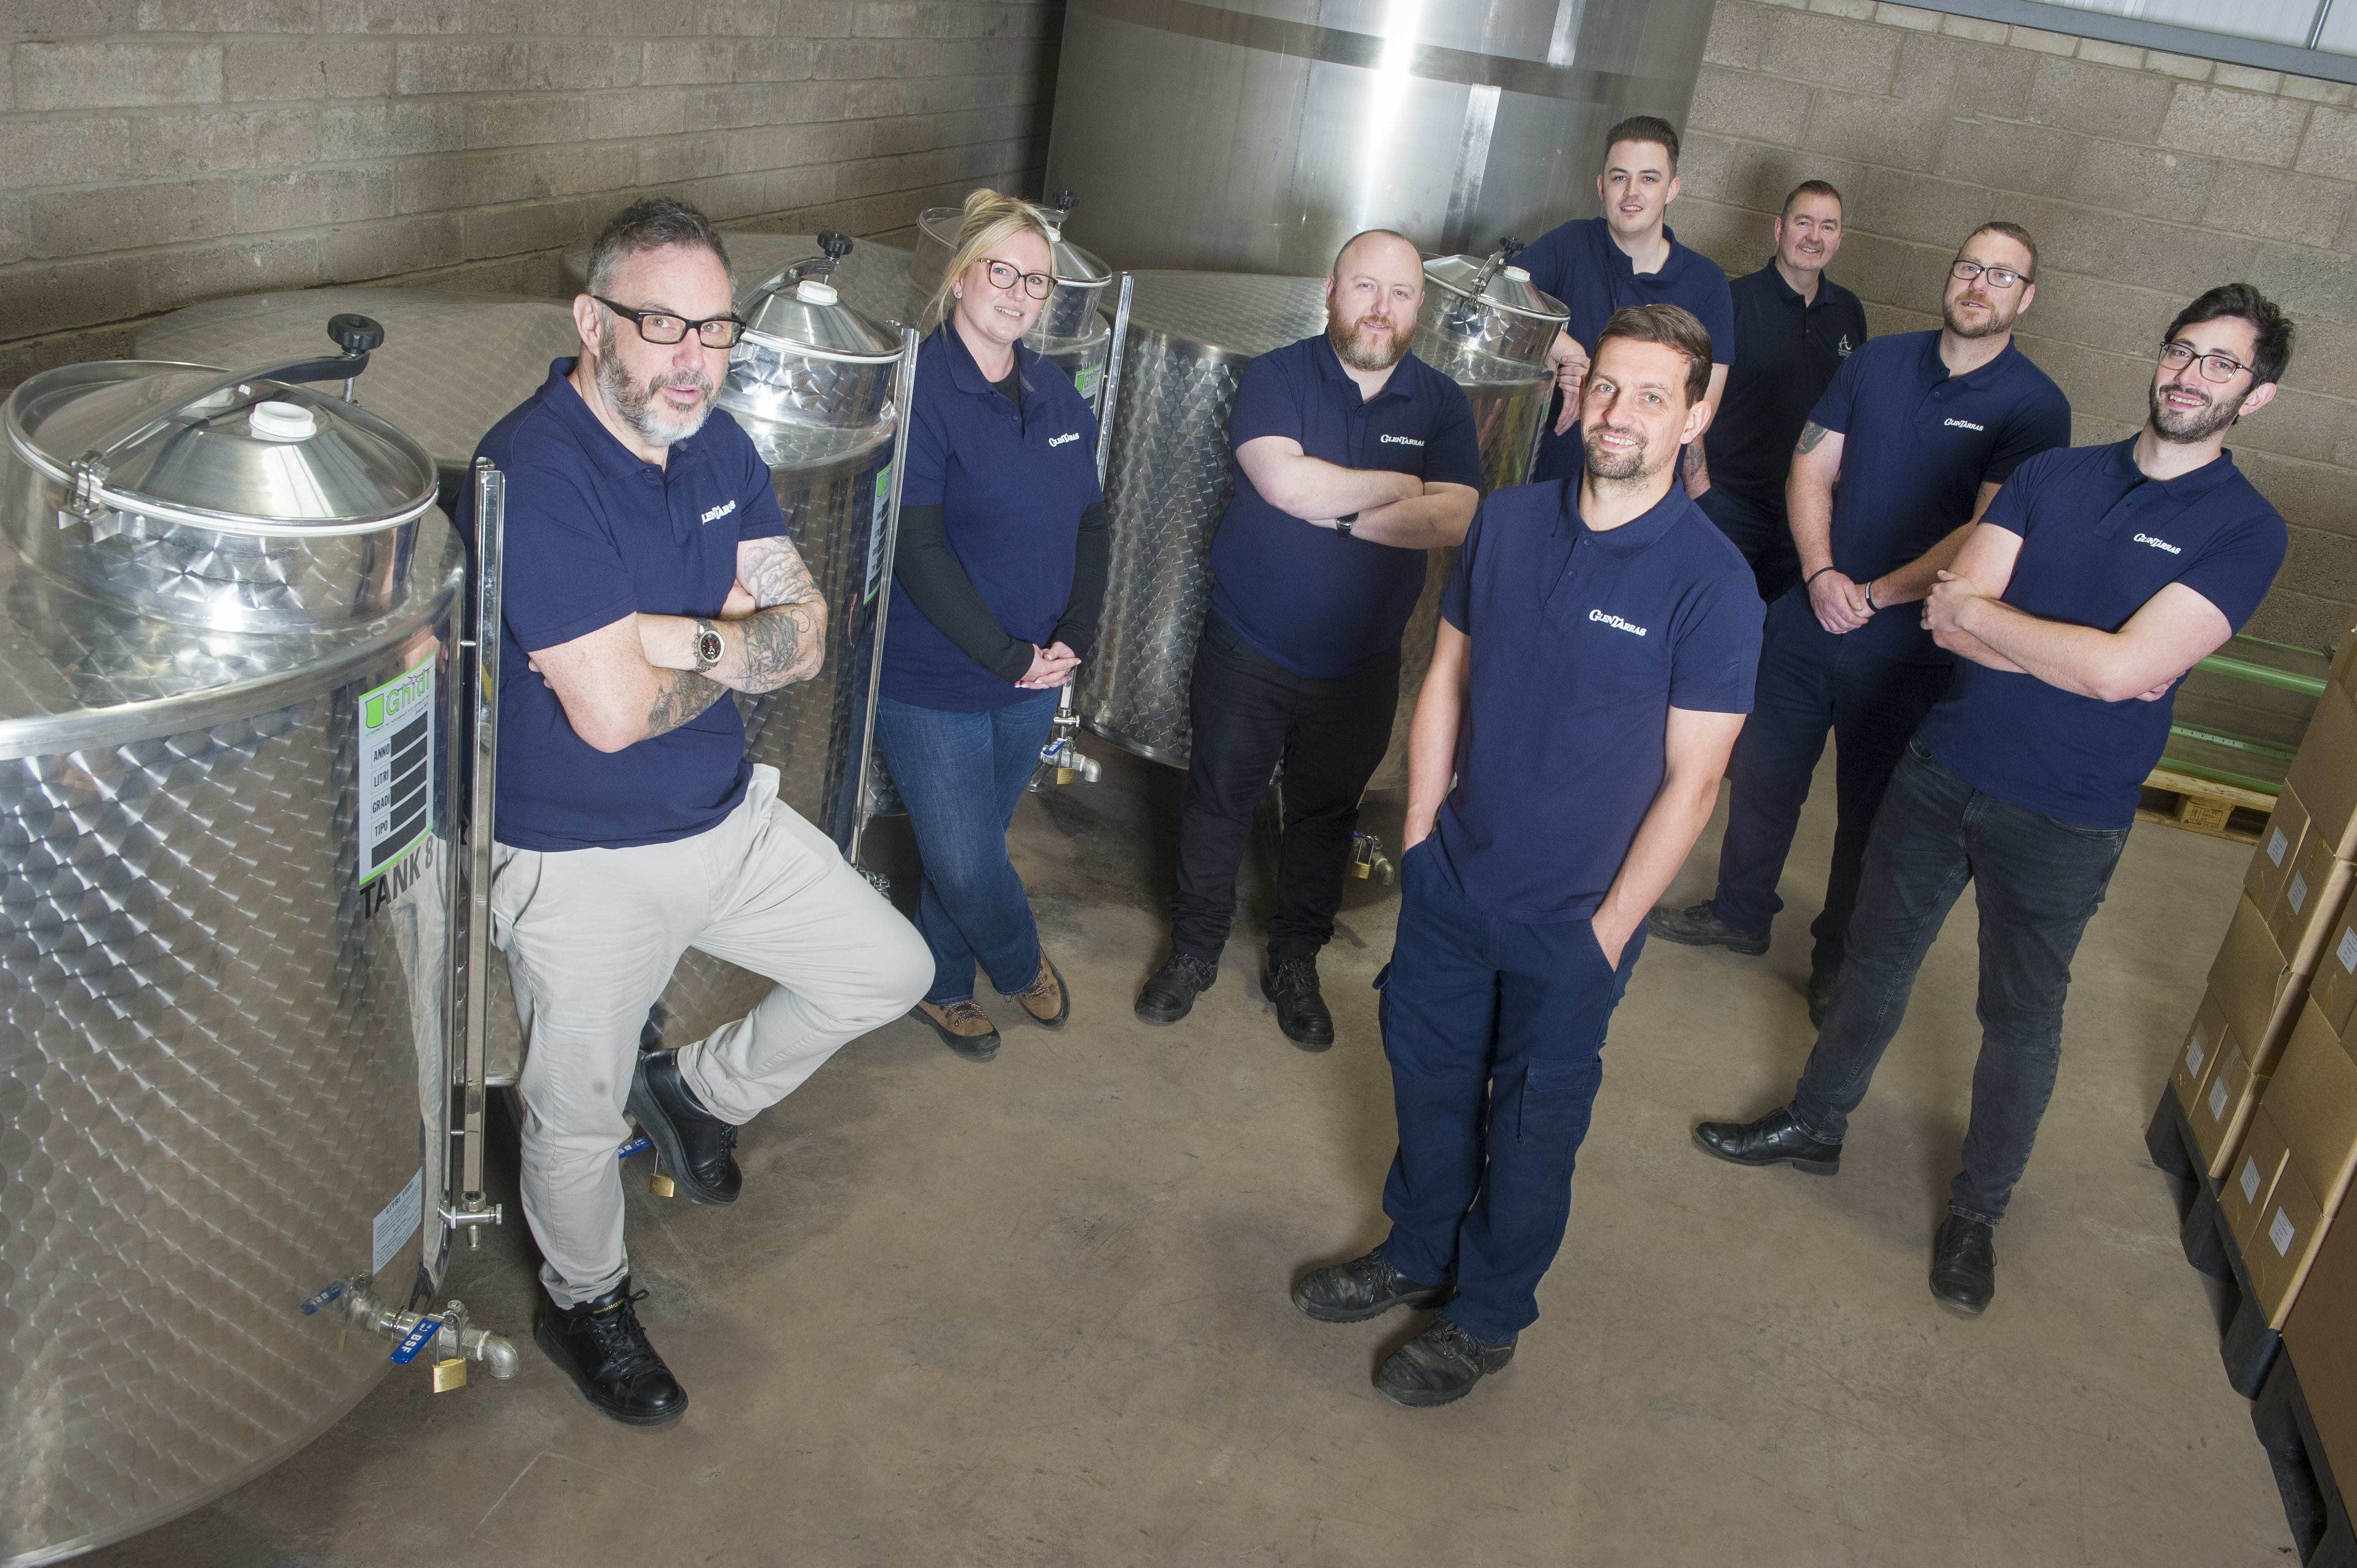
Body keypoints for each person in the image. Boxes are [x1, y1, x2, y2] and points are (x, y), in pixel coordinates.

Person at [1694, 284, 2293, 1316]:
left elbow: (2110, 668)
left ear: (2258, 395)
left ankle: (1976, 1213)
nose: (2190, 376)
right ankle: (1816, 1120)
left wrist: (2020, 629)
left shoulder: (2245, 530)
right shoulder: (2050, 474)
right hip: (1946, 768)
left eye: (2221, 364)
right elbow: (1950, 620)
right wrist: (2085, 653)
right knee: (1875, 960)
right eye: (2182, 350)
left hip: (2067, 813)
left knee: (2019, 1018)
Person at [476, 196, 932, 1426]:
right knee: (569, 1120)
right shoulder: (535, 469)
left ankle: (693, 1094)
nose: (693, 357)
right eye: (661, 324)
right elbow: (612, 720)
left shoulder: (718, 445)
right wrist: (727, 644)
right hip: (581, 862)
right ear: (593, 321)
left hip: (728, 818)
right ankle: (587, 1302)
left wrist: (656, 638)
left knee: (887, 969)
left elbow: (811, 637)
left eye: (715, 328)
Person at [1293, 305, 1763, 1407]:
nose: (1620, 412)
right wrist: (1418, 839)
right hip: (1456, 877)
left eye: (1653, 395)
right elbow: (1446, 680)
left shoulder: (1711, 583)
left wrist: (1607, 934)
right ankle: (1416, 1252)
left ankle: (1489, 1314)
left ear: (1692, 418)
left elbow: (1696, 783)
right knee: (1429, 1082)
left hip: (1574, 918)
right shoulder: (1505, 523)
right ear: (1577, 391)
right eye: (1606, 384)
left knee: (1532, 1124)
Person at [1650, 221, 2071, 1027]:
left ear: (2027, 297)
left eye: (2003, 277)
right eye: (1969, 266)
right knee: (1764, 777)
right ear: (1950, 275)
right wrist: (1820, 573)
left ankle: (1835, 959)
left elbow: (1988, 532)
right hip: (1812, 617)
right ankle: (1738, 914)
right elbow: (1812, 463)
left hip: (1907, 647)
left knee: (1870, 817)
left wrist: (1876, 594)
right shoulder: (1877, 362)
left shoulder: (2035, 407)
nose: (1980, 285)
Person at [1134, 229, 1481, 1049]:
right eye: (1366, 287)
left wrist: (1337, 501)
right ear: (1334, 289)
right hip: (1247, 648)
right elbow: (1283, 484)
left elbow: (1458, 514)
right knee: (1220, 803)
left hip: (1359, 670)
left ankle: (1296, 962)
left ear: (1419, 306)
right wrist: (1400, 490)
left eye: (1399, 294)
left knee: (1324, 819)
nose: (1380, 308)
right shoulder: (1279, 375)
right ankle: (1193, 952)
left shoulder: (1441, 403)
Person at [875, 189, 1111, 1064]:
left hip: (1036, 671)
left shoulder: (1055, 393)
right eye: (1001, 272)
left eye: (1036, 281)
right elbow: (918, 544)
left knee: (967, 840)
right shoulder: (923, 390)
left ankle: (941, 987)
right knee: (971, 860)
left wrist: (1072, 638)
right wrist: (1006, 656)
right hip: (936, 678)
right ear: (960, 276)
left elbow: (1092, 520)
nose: (1018, 294)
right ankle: (1018, 963)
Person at [1517, 114, 1734, 487]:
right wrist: (1560, 345)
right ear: (1602, 187)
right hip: (1549, 484)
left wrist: (1597, 385)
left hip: (1641, 493)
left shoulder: (1707, 283)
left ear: (1672, 189)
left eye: (1649, 178)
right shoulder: (1571, 244)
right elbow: (1491, 297)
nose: (1632, 192)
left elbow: (1699, 407)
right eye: (1620, 177)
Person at [1684, 179, 1868, 605]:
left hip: (1801, 517)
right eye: (1803, 222)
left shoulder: (1848, 311)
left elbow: (1850, 409)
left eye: (1827, 226)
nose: (1813, 237)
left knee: (1767, 636)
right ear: (1779, 229)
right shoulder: (1732, 301)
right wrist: (1701, 493)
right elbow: (1691, 400)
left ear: (1839, 239)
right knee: (1704, 620)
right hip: (1727, 507)